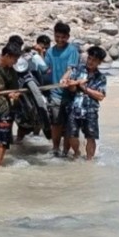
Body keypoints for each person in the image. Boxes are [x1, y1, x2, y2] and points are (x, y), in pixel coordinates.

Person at [61, 46, 108, 161]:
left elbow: (100, 96)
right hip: (74, 108)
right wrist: (72, 85)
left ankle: (89, 160)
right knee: (71, 135)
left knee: (91, 137)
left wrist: (84, 88)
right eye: (89, 58)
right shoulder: (77, 70)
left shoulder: (101, 77)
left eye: (94, 60)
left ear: (99, 62)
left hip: (90, 110)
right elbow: (71, 88)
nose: (90, 62)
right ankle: (76, 153)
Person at [44, 22, 80, 157]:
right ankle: (55, 149)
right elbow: (45, 69)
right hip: (55, 94)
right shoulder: (50, 51)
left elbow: (71, 68)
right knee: (56, 123)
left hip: (70, 93)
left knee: (69, 125)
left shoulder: (72, 51)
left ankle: (65, 151)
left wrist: (64, 79)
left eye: (63, 37)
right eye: (57, 36)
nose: (59, 40)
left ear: (68, 37)